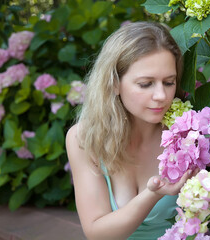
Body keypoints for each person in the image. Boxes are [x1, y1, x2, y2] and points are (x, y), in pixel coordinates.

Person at [65, 21, 196, 240]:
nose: (161, 96)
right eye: (146, 84)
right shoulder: (84, 138)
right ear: (114, 83)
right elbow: (97, 233)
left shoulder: (188, 134)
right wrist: (153, 194)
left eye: (169, 82)